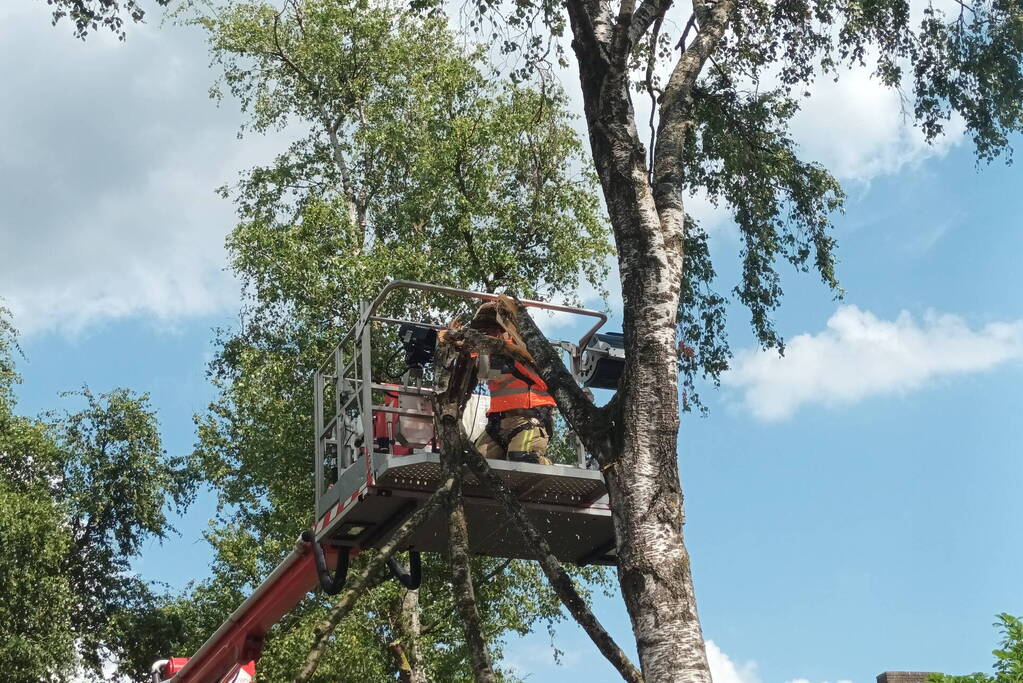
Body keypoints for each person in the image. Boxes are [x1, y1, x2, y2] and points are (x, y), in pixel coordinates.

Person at [469, 304, 555, 466]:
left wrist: (501, 346)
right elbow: (484, 373)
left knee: (521, 458)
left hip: (529, 419)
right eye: (484, 331)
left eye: (494, 329)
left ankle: (547, 464)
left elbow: (497, 369)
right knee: (475, 465)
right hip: (497, 424)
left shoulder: (524, 349)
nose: (490, 334)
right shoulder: (486, 354)